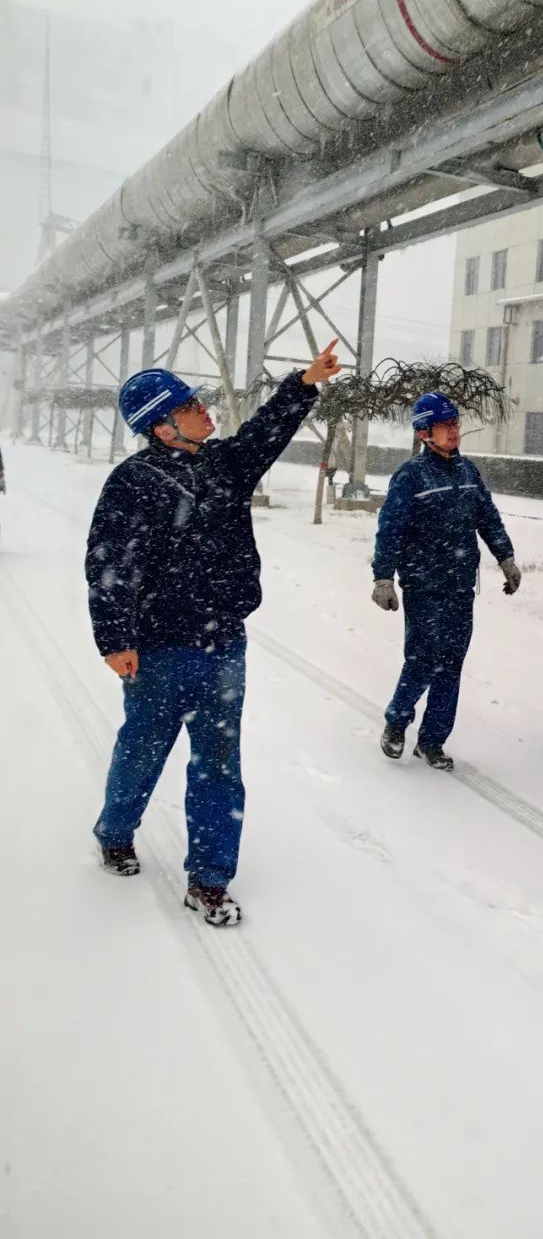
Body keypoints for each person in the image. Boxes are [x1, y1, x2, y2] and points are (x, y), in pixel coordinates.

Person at [85, 341, 341, 925]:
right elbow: (108, 565)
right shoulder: (133, 482)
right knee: (144, 747)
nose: (206, 411)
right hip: (157, 648)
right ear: (163, 423)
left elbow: (265, 433)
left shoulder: (224, 464)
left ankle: (209, 879)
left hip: (224, 641)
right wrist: (115, 639)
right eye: (192, 404)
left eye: (200, 401)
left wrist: (303, 383)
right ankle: (116, 828)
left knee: (219, 762)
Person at [372, 391, 521, 771]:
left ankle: (432, 741)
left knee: (451, 664)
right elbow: (390, 529)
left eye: (455, 424)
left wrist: (505, 558)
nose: (454, 431)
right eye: (445, 426)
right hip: (423, 584)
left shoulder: (468, 472)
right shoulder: (410, 476)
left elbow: (487, 518)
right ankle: (396, 721)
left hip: (459, 586)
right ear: (425, 433)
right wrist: (383, 578)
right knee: (423, 659)